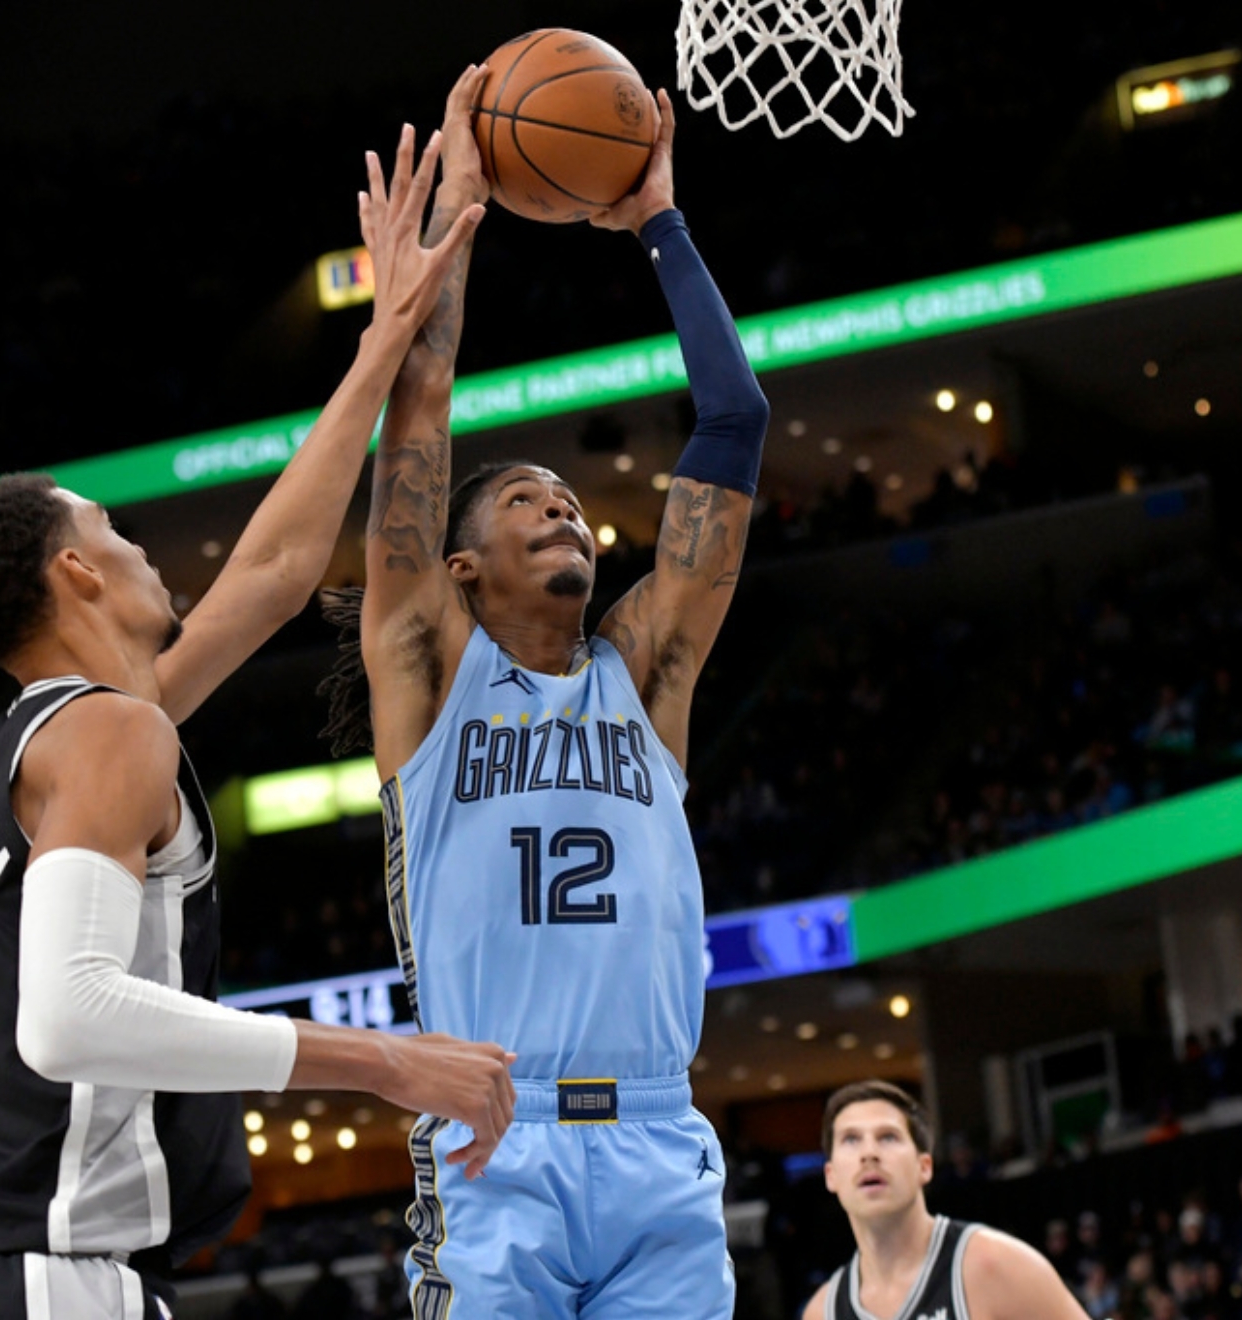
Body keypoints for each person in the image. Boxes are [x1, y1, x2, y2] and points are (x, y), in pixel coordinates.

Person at [0, 127, 516, 1320]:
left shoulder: (61, 735)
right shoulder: (106, 737)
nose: (144, 545)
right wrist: (386, 1062)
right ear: (76, 572)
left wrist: (386, 344)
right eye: (116, 529)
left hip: (17, 1273)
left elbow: (281, 567)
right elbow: (72, 1016)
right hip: (48, 1277)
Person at [321, 62, 768, 1319]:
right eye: (527, 501)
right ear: (458, 569)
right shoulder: (428, 671)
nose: (564, 507)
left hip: (658, 1141)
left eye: (570, 501)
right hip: (491, 1145)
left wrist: (663, 226)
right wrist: (460, 210)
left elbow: (734, 416)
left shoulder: (645, 673)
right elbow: (416, 409)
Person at [800, 1081, 1087, 1320]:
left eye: (888, 1137)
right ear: (831, 1175)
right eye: (851, 1139)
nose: (869, 1153)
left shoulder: (994, 1264)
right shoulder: (821, 1312)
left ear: (924, 1166)